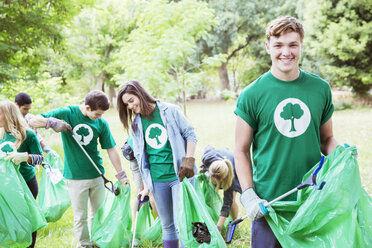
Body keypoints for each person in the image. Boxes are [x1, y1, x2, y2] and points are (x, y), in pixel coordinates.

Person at [234, 16, 339, 248]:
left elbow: (326, 139)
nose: (286, 52)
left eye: (293, 45)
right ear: (267, 47)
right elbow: (241, 151)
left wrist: (341, 153)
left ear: (301, 46)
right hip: (268, 205)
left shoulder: (320, 89)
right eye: (279, 45)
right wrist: (249, 195)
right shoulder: (252, 94)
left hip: (311, 200)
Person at [29, 90, 129, 248]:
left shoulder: (101, 123)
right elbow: (31, 120)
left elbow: (111, 149)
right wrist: (52, 123)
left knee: (98, 214)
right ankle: (84, 245)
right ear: (87, 107)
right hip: (75, 177)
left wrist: (121, 174)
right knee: (80, 217)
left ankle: (97, 242)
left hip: (97, 175)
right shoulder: (67, 113)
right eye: (97, 114)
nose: (100, 117)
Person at [117, 80, 197, 248]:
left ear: (140, 94)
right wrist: (146, 187)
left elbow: (190, 134)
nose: (130, 106)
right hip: (157, 180)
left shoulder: (170, 111)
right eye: (126, 104)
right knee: (167, 225)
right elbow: (141, 158)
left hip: (179, 177)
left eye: (131, 100)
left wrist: (188, 160)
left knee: (181, 224)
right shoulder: (136, 125)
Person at [0, 101, 43, 248]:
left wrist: (25, 157)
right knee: (7, 219)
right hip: (5, 186)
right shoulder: (0, 133)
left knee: (28, 218)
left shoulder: (27, 134)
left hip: (25, 183)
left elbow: (40, 158)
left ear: (8, 115)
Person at [200, 145, 242, 232]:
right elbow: (208, 148)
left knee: (232, 200)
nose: (214, 183)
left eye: (217, 182)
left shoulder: (230, 179)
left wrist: (218, 227)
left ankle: (234, 223)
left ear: (223, 179)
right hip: (219, 155)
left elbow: (227, 204)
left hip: (234, 164)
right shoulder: (207, 158)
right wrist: (203, 168)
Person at [121, 136, 158, 217]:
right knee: (146, 192)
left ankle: (138, 226)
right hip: (137, 152)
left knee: (144, 191)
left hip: (139, 150)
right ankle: (163, 225)